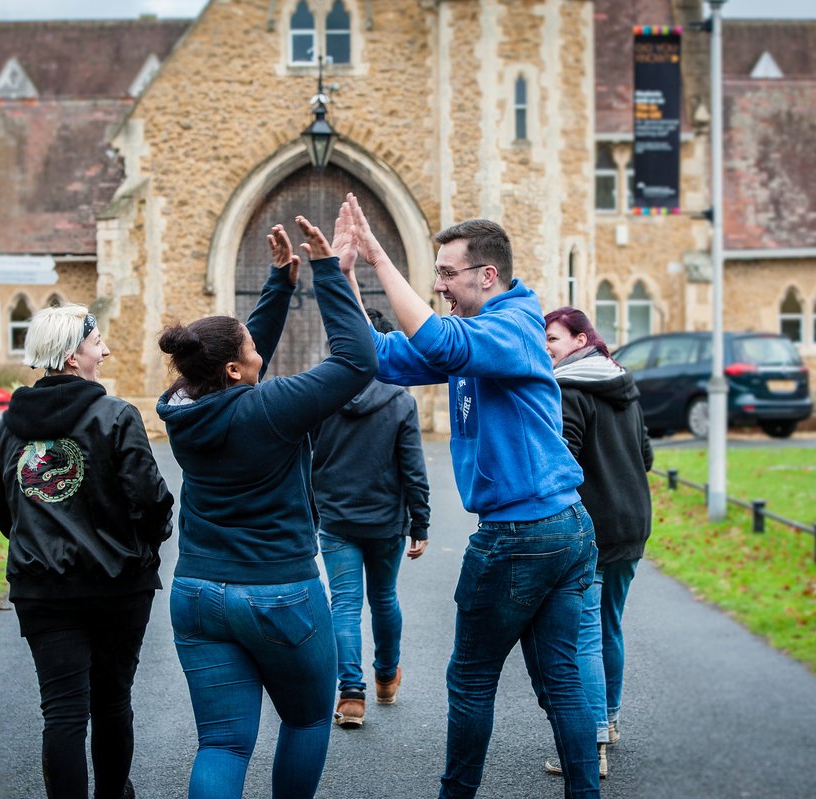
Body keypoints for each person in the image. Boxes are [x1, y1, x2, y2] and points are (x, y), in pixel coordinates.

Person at [340, 193, 600, 799]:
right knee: (560, 679)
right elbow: (379, 357)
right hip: (556, 527)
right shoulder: (480, 332)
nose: (439, 287)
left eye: (447, 274)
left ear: (488, 274)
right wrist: (344, 277)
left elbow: (441, 343)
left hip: (522, 534)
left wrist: (380, 257)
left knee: (473, 680)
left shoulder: (511, 326)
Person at [154, 210, 376, 799]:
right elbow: (358, 361)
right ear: (233, 369)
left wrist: (279, 283)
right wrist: (327, 271)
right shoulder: (270, 407)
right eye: (252, 349)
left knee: (222, 743)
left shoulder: (179, 405)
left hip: (199, 593)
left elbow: (235, 361)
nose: (261, 353)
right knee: (305, 720)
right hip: (280, 594)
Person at [0, 304, 175, 799]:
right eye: (98, 343)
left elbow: (3, 510)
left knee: (63, 710)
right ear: (73, 355)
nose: (107, 350)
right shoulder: (116, 416)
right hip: (118, 585)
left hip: (41, 589)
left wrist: (40, 547)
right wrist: (142, 549)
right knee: (112, 702)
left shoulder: (8, 427)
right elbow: (151, 500)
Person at [541, 307, 654, 780]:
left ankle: (591, 744)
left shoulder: (569, 389)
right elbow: (646, 455)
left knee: (584, 634)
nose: (546, 346)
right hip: (633, 523)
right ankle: (608, 718)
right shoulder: (621, 383)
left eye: (553, 338)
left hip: (594, 525)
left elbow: (563, 462)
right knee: (608, 626)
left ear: (581, 339)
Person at [312, 307, 431, 729]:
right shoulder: (399, 400)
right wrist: (421, 523)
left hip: (337, 519)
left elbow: (307, 462)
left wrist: (310, 518)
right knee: (383, 598)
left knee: (343, 604)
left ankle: (351, 695)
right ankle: (385, 677)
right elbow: (413, 468)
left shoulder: (319, 395)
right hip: (385, 522)